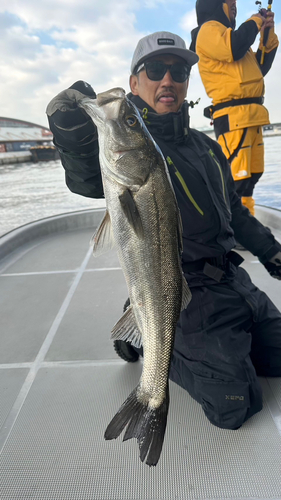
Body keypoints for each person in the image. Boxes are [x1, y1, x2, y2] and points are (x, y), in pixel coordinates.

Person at [46, 31, 281, 431]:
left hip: (233, 280)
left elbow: (235, 214)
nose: (167, 80)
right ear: (135, 82)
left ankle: (177, 333)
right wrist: (73, 135)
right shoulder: (135, 146)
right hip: (186, 292)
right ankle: (148, 332)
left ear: (188, 82)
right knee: (235, 405)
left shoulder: (207, 147)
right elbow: (88, 178)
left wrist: (271, 251)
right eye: (155, 70)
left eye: (179, 70)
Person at [190, 0, 279, 216]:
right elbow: (234, 46)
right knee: (235, 178)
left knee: (251, 175)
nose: (234, 5)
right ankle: (231, 226)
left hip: (251, 116)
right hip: (233, 118)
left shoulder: (231, 36)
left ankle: (246, 220)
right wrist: (257, 19)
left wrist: (267, 37)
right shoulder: (209, 31)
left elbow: (258, 69)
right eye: (229, 1)